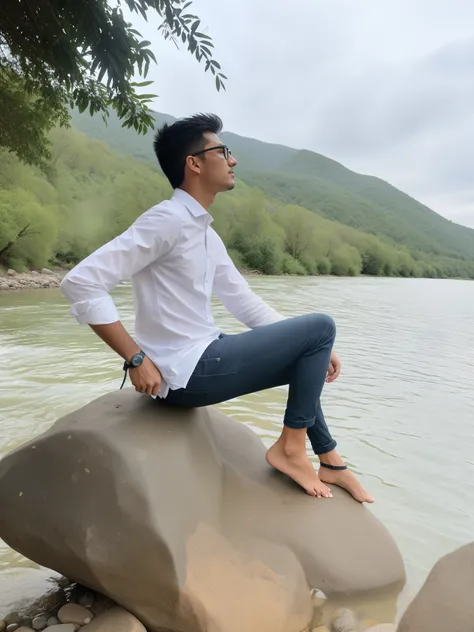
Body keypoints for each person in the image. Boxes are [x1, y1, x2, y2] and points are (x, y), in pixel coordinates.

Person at [60, 113, 374, 504]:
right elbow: (80, 281)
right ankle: (291, 450)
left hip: (202, 355)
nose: (233, 160)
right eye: (223, 151)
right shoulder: (167, 220)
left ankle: (330, 459)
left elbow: (245, 302)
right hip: (186, 372)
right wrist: (135, 356)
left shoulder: (204, 233)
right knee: (321, 327)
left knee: (313, 342)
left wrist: (315, 349)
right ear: (194, 163)